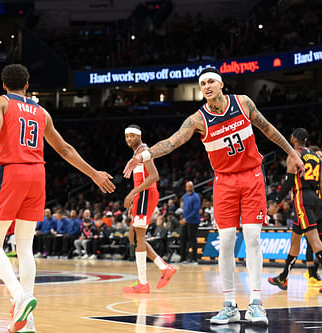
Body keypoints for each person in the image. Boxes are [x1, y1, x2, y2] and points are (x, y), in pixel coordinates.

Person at [123, 68, 304, 325]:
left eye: (210, 82)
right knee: (226, 240)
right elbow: (172, 142)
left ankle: (256, 303)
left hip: (252, 175)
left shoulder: (243, 102)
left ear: (221, 84)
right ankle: (229, 304)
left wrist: (292, 153)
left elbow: (267, 128)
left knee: (252, 237)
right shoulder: (197, 119)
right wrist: (142, 156)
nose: (206, 86)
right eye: (202, 83)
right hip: (224, 181)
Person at [0, 64, 115, 332]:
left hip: (12, 172)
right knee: (25, 246)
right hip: (38, 175)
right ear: (27, 85)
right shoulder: (41, 111)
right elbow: (64, 148)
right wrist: (93, 173)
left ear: (4, 85)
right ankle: (26, 321)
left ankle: (20, 297)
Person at [268, 128, 322, 294]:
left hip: (302, 198)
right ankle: (283, 277)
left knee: (314, 240)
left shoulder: (294, 154)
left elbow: (288, 182)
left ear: (293, 138)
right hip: (315, 199)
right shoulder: (317, 157)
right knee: (295, 240)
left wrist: (276, 203)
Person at [122, 124, 177, 293]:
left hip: (146, 194)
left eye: (132, 135)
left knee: (138, 237)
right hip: (142, 195)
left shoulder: (144, 151)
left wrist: (133, 193)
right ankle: (163, 267)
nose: (129, 139)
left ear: (139, 136)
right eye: (126, 136)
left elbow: (154, 176)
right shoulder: (137, 151)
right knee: (133, 236)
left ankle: (143, 283)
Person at [302, 146, 322, 287]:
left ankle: (313, 269)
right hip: (309, 209)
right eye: (319, 155)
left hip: (321, 211)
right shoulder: (308, 172)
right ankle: (311, 273)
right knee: (311, 242)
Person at [180, 181, 201, 263]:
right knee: (183, 239)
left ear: (193, 187)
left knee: (192, 240)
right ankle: (183, 258)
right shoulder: (184, 196)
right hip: (185, 221)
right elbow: (184, 209)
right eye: (187, 187)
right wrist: (183, 218)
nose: (188, 188)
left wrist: (186, 218)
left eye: (190, 187)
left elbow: (196, 210)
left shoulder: (196, 197)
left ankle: (194, 259)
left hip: (193, 221)